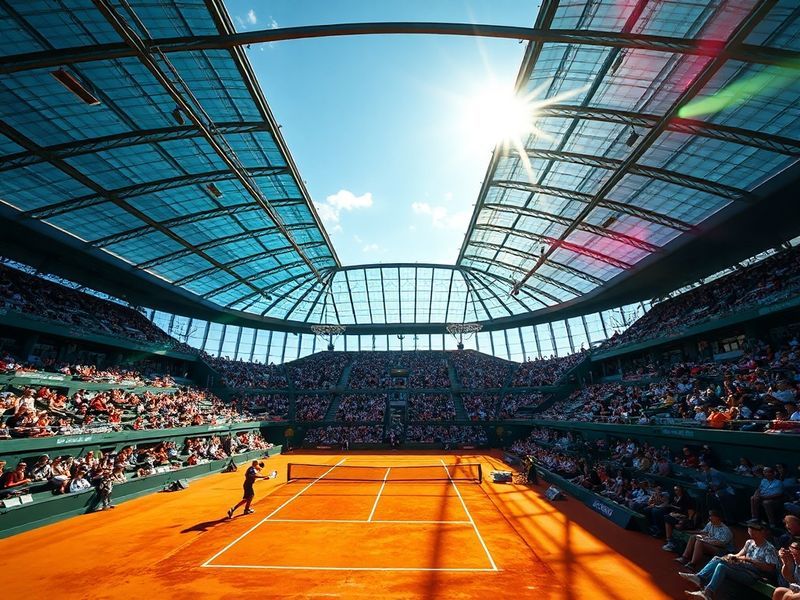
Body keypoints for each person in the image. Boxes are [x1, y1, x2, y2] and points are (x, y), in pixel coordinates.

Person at [681, 519, 780, 599]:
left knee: (720, 561)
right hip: (743, 568)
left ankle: (700, 579)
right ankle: (707, 592)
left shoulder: (769, 548)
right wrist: (732, 557)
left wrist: (749, 560)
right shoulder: (749, 542)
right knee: (721, 564)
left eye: (754, 529)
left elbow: (770, 569)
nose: (751, 530)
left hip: (753, 575)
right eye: (750, 528)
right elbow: (739, 555)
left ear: (762, 531)